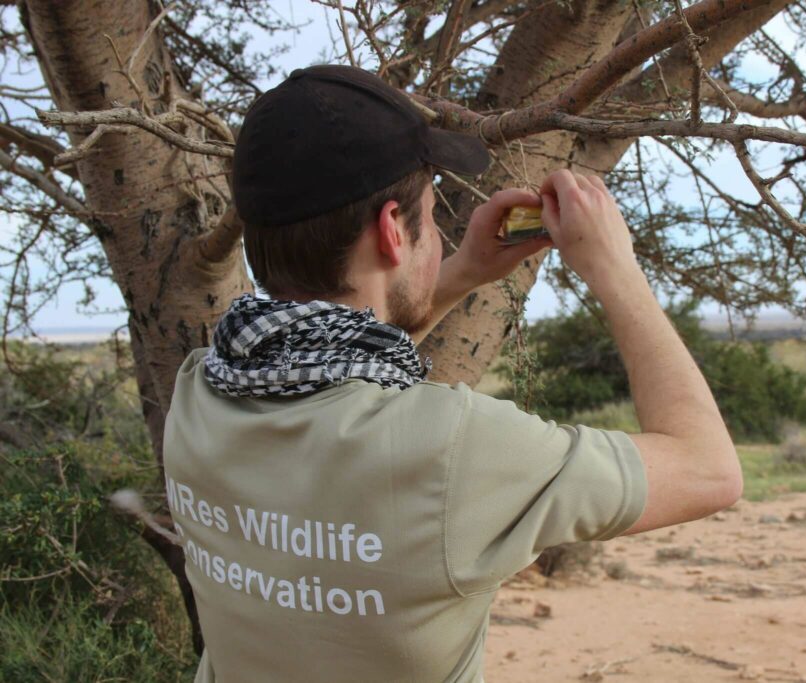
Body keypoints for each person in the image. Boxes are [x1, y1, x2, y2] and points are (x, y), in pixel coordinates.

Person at [163, 64, 741, 683]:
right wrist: (615, 269)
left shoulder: (202, 390)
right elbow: (708, 470)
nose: (438, 237)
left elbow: (333, 371)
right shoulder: (457, 450)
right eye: (432, 217)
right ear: (392, 231)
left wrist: (464, 270)